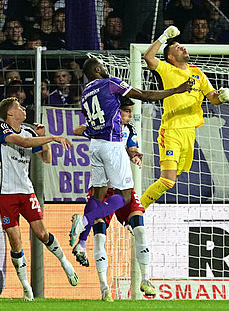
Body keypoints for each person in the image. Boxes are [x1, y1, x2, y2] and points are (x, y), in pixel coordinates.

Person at [68, 57, 193, 301]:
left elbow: (86, 126)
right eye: (102, 65)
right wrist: (176, 90)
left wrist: (131, 152)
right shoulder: (109, 82)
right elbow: (144, 95)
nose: (106, 67)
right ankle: (84, 221)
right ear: (97, 70)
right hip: (111, 145)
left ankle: (83, 242)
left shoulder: (85, 93)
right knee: (125, 196)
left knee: (99, 192)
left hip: (94, 147)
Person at [0, 97, 78, 301]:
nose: (23, 108)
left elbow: (46, 159)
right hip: (5, 193)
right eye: (18, 107)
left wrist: (42, 138)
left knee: (41, 233)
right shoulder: (2, 129)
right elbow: (21, 142)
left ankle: (65, 262)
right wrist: (52, 138)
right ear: (10, 113)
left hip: (26, 191)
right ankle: (26, 287)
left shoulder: (30, 132)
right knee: (16, 241)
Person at [140, 26, 229, 209]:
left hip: (189, 133)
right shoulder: (167, 70)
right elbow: (148, 58)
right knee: (167, 180)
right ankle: (136, 210)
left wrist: (221, 97)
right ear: (171, 57)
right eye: (177, 47)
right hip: (172, 131)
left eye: (183, 46)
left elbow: (212, 97)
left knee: (173, 179)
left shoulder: (198, 73)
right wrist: (165, 37)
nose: (183, 48)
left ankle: (136, 209)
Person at [70, 97, 149, 302]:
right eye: (126, 111)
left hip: (123, 184)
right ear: (116, 110)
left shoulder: (129, 129)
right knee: (101, 237)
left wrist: (135, 155)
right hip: (105, 187)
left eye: (131, 111)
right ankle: (105, 288)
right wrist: (94, 132)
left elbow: (132, 148)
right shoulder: (103, 123)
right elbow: (78, 130)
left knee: (139, 228)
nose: (129, 115)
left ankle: (146, 278)